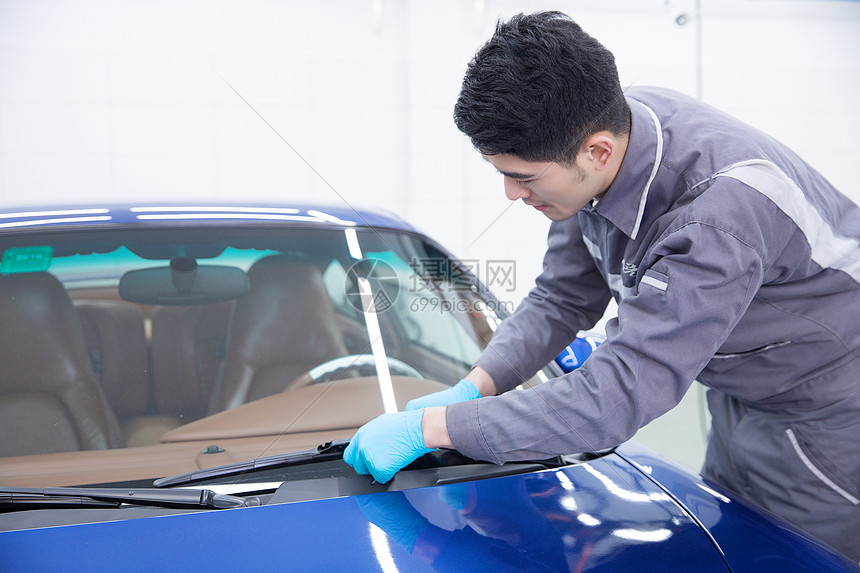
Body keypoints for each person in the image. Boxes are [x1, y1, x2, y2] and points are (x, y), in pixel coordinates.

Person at [344, 11, 860, 561]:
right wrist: (477, 384)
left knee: (788, 559)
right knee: (727, 545)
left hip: (823, 411)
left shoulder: (713, 219)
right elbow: (561, 297)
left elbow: (617, 397)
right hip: (741, 388)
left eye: (524, 177)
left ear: (597, 152)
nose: (510, 194)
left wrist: (436, 427)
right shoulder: (608, 128)